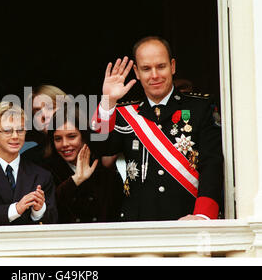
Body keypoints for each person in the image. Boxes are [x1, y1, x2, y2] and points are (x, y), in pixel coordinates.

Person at [91, 36, 224, 221]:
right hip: (138, 225)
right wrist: (108, 102)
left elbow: (212, 164)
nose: (154, 75)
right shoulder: (125, 113)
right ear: (137, 72)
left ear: (173, 66)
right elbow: (101, 149)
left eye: (161, 66)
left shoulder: (200, 109)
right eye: (146, 69)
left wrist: (202, 215)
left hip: (188, 222)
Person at [0, 102, 58, 226]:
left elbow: (53, 221)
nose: (15, 136)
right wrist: (15, 209)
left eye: (20, 130)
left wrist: (38, 211)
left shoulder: (42, 175)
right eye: (7, 131)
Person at [46, 105, 124, 224]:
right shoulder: (45, 170)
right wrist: (74, 181)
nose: (65, 144)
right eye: (58, 139)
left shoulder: (104, 170)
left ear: (84, 136)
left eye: (71, 136)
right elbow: (46, 212)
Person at [21, 84, 67, 164]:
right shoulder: (30, 159)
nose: (44, 115)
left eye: (50, 108)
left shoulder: (93, 145)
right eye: (37, 110)